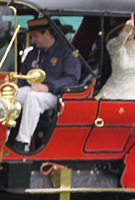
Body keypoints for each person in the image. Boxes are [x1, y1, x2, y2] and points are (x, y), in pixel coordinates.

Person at [10, 17, 82, 153]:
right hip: (33, 90)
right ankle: (5, 136)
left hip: (56, 95)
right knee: (10, 95)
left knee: (33, 97)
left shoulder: (67, 52)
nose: (33, 40)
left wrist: (48, 86)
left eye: (35, 36)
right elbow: (22, 78)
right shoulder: (32, 54)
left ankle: (23, 142)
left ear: (47, 33)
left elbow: (72, 78)